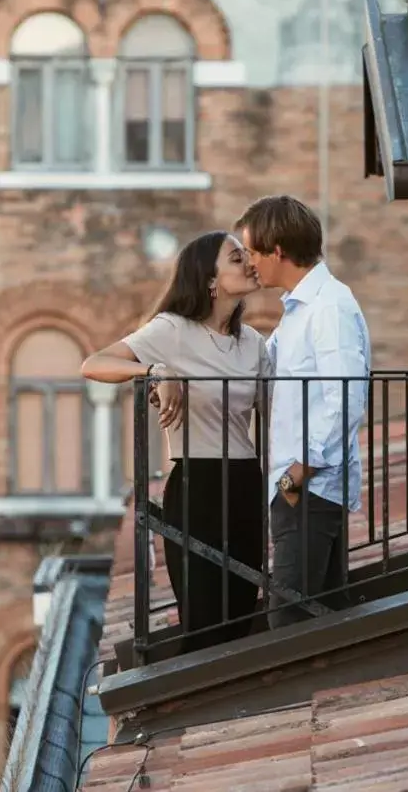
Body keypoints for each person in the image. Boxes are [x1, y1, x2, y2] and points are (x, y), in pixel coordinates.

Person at [81, 231, 270, 653]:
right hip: (196, 484)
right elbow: (94, 364)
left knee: (240, 620)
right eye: (236, 258)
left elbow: (276, 411)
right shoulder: (173, 330)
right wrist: (158, 371)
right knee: (203, 626)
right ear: (209, 279)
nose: (248, 263)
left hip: (245, 482)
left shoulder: (253, 343)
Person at [235, 196, 370, 628]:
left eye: (253, 253)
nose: (251, 264)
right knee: (319, 618)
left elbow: (346, 396)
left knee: (289, 621)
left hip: (311, 488)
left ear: (278, 251)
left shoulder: (327, 307)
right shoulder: (299, 309)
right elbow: (262, 372)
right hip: (301, 487)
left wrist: (299, 471)